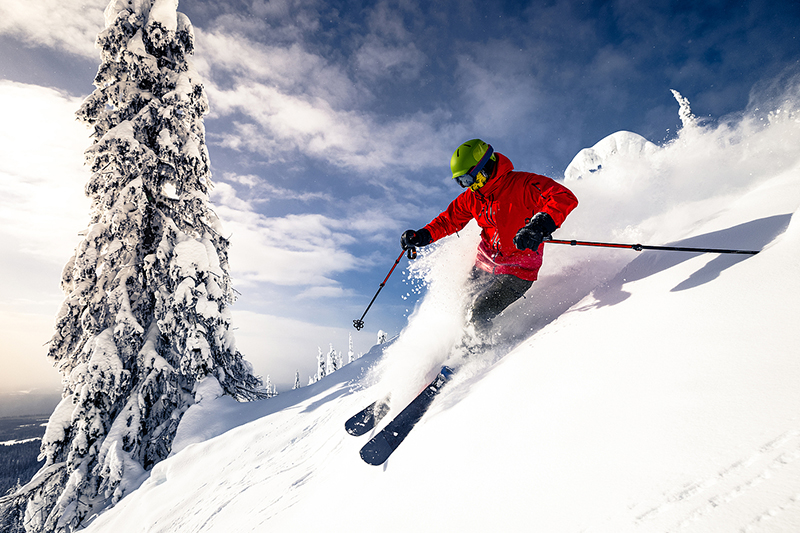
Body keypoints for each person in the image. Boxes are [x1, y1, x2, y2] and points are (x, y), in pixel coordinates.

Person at [401, 138, 578, 343]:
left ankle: (481, 355)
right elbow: (449, 220)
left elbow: (563, 196)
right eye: (461, 182)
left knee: (478, 314)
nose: (467, 186)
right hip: (485, 263)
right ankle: (458, 348)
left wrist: (539, 226)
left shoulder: (522, 184)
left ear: (484, 168)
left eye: (468, 179)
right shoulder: (472, 197)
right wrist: (423, 235)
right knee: (461, 306)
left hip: (518, 270)